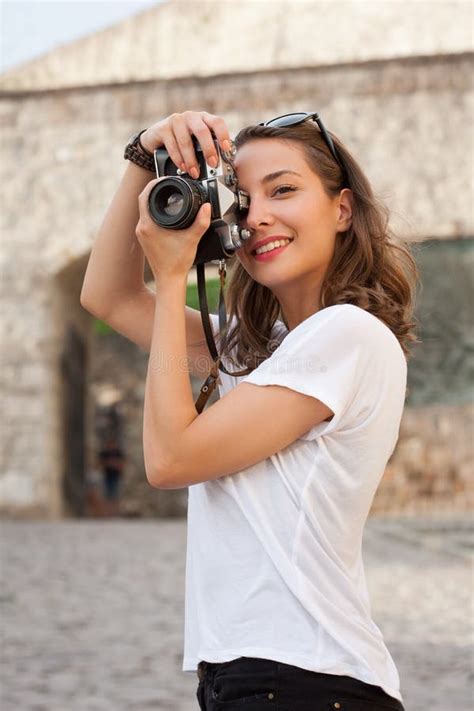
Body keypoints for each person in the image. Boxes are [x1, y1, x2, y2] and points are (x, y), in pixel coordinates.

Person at [80, 110, 420, 710]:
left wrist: (172, 275)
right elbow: (107, 295)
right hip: (249, 678)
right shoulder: (257, 350)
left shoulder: (347, 336)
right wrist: (142, 158)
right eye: (242, 198)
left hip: (305, 681)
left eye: (283, 190)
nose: (257, 215)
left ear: (342, 209)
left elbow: (169, 458)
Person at [97, 432, 124, 517]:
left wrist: (114, 464)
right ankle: (107, 513)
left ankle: (115, 513)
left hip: (116, 476)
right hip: (107, 476)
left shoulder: (118, 452)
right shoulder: (105, 453)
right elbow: (99, 464)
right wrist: (110, 463)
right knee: (107, 495)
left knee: (116, 495)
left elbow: (122, 464)